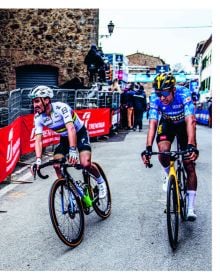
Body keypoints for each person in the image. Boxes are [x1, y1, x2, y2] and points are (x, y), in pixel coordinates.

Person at [29, 85, 107, 198]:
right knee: (56, 164)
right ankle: (69, 189)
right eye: (33, 102)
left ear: (46, 100)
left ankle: (100, 182)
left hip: (79, 133)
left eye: (37, 101)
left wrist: (73, 150)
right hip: (65, 137)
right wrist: (38, 160)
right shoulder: (38, 118)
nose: (34, 105)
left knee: (85, 163)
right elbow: (38, 139)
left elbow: (71, 129)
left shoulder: (61, 108)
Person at [141, 72, 199, 221]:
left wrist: (192, 144)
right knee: (163, 153)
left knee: (188, 164)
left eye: (165, 93)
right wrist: (148, 148)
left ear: (173, 89)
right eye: (159, 93)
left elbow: (190, 120)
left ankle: (191, 207)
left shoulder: (184, 93)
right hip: (167, 124)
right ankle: (168, 175)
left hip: (183, 125)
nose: (162, 98)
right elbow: (153, 123)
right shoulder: (155, 98)